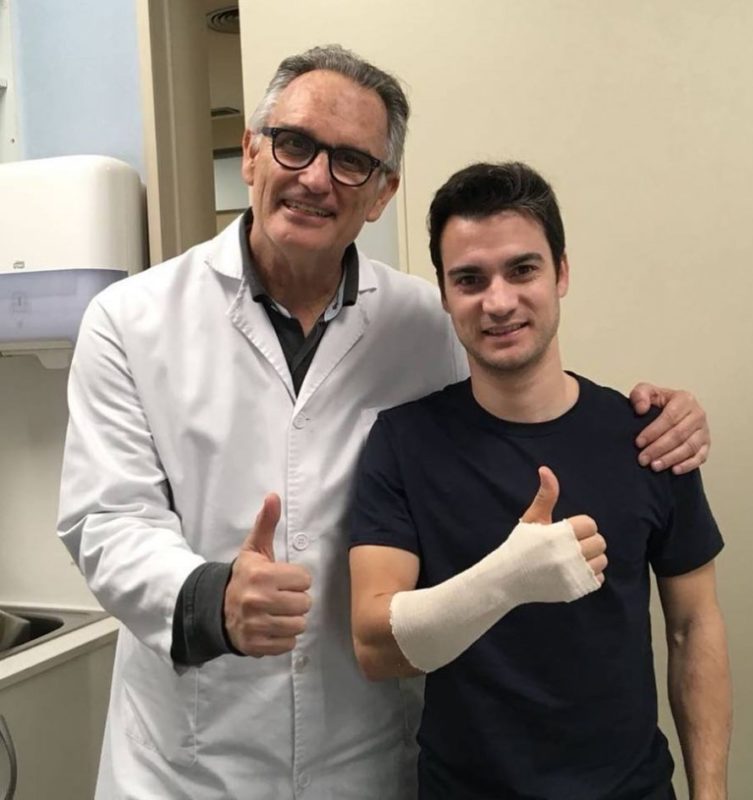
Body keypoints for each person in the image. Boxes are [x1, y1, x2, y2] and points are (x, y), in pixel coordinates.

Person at [57, 45, 712, 800]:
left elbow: (521, 391)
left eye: (351, 162)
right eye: (294, 143)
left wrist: (662, 416)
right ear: (251, 151)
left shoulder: (425, 322)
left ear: (382, 192)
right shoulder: (129, 320)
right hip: (188, 758)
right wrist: (211, 599)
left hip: (363, 755)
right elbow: (107, 519)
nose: (315, 178)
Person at [349, 162, 731, 800]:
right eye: (469, 280)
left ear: (561, 273)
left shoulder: (651, 436)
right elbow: (374, 647)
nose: (498, 302)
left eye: (522, 269)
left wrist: (711, 794)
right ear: (444, 294)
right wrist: (504, 581)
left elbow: (694, 626)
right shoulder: (403, 442)